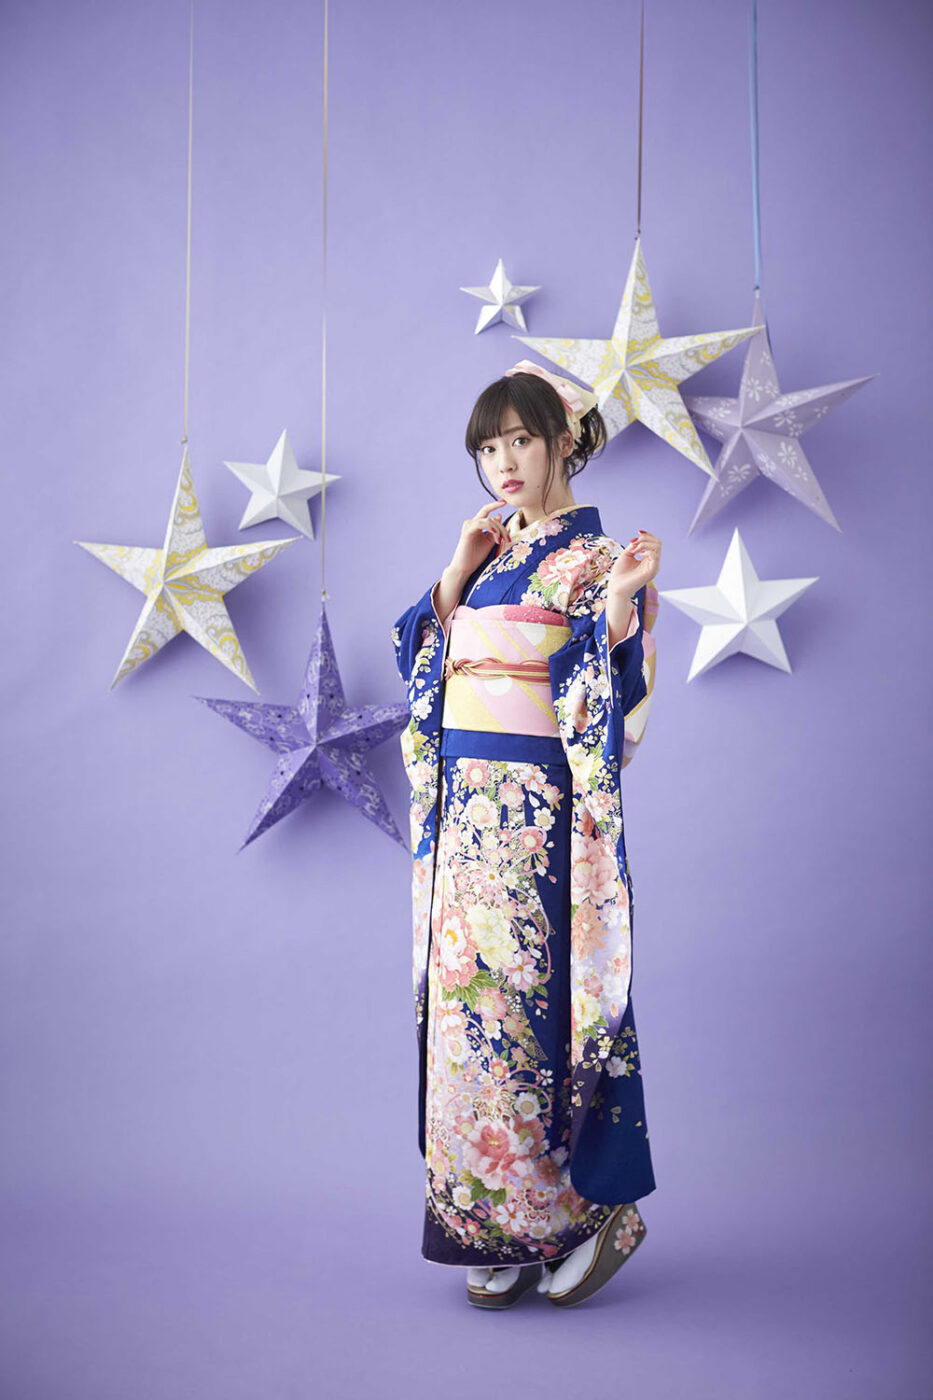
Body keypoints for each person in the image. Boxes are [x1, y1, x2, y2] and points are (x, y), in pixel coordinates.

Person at [391, 359, 661, 1309]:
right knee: (466, 1017)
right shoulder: (492, 551)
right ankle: (486, 1218)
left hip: (536, 814)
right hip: (464, 812)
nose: (502, 462)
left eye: (520, 440)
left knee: (532, 1011)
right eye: (487, 447)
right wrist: (455, 575)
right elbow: (422, 662)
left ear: (563, 441)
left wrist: (619, 603)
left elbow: (611, 694)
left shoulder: (598, 556)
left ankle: (590, 1215)